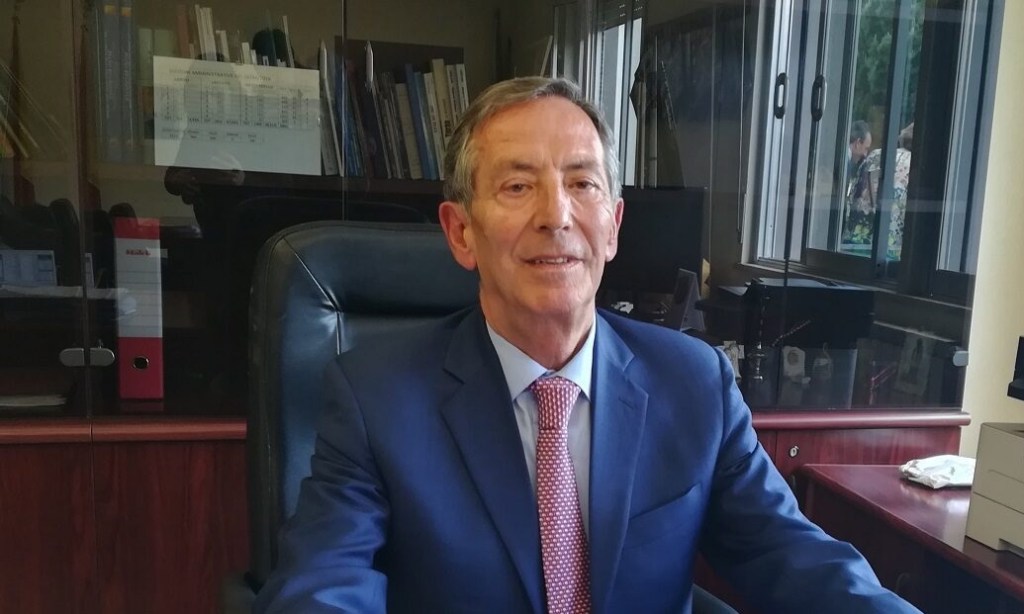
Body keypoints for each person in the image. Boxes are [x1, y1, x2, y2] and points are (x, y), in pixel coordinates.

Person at [253, 77, 920, 613]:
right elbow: (325, 583)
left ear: (613, 225)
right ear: (460, 232)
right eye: (518, 186)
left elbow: (789, 555)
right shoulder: (376, 398)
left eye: (582, 183)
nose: (556, 215)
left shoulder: (694, 383)